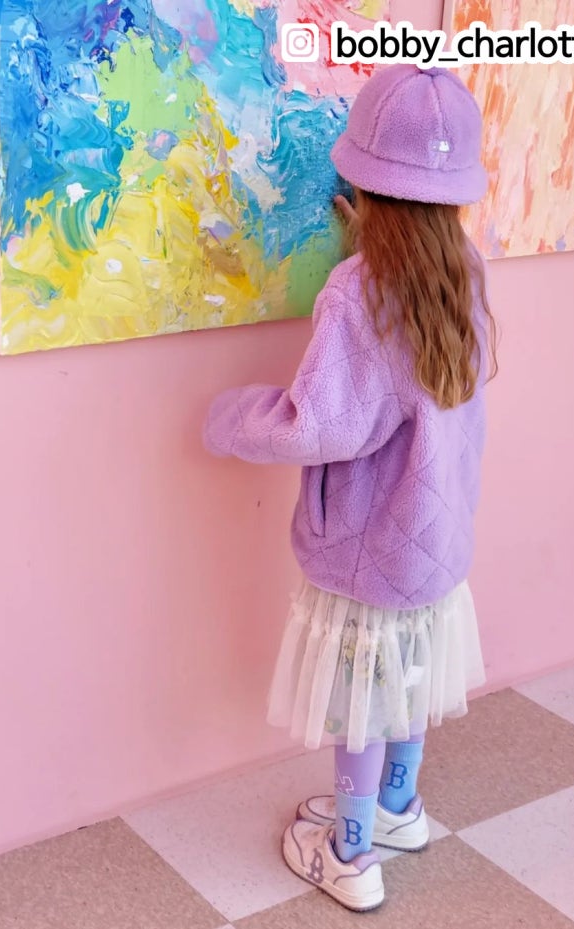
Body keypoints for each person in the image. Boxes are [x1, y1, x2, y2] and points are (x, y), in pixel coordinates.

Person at [203, 63, 497, 912]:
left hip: (368, 547)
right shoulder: (463, 272)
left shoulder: (357, 291)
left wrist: (231, 418)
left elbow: (321, 425)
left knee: (361, 704)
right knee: (407, 679)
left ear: (361, 187)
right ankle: (399, 808)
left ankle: (349, 851)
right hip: (435, 540)